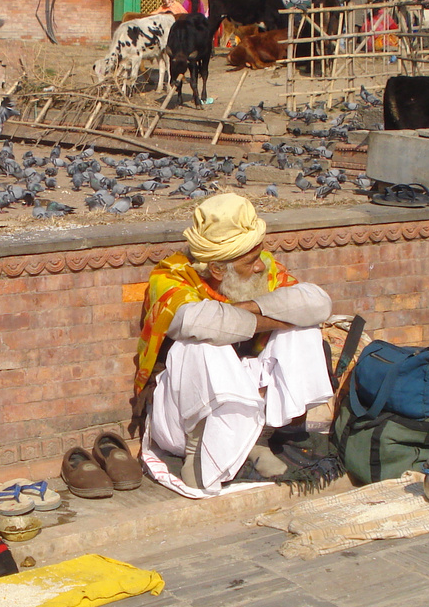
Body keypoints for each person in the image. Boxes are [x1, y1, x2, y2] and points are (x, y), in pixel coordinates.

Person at [134, 193, 335, 494]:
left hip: (248, 399)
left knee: (302, 331)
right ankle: (198, 453)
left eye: (258, 257)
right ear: (217, 270)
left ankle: (259, 440)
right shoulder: (171, 277)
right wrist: (278, 315)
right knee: (201, 343)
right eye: (250, 262)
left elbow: (318, 303)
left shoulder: (262, 266)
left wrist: (252, 306)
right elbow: (200, 322)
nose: (260, 267)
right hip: (180, 416)